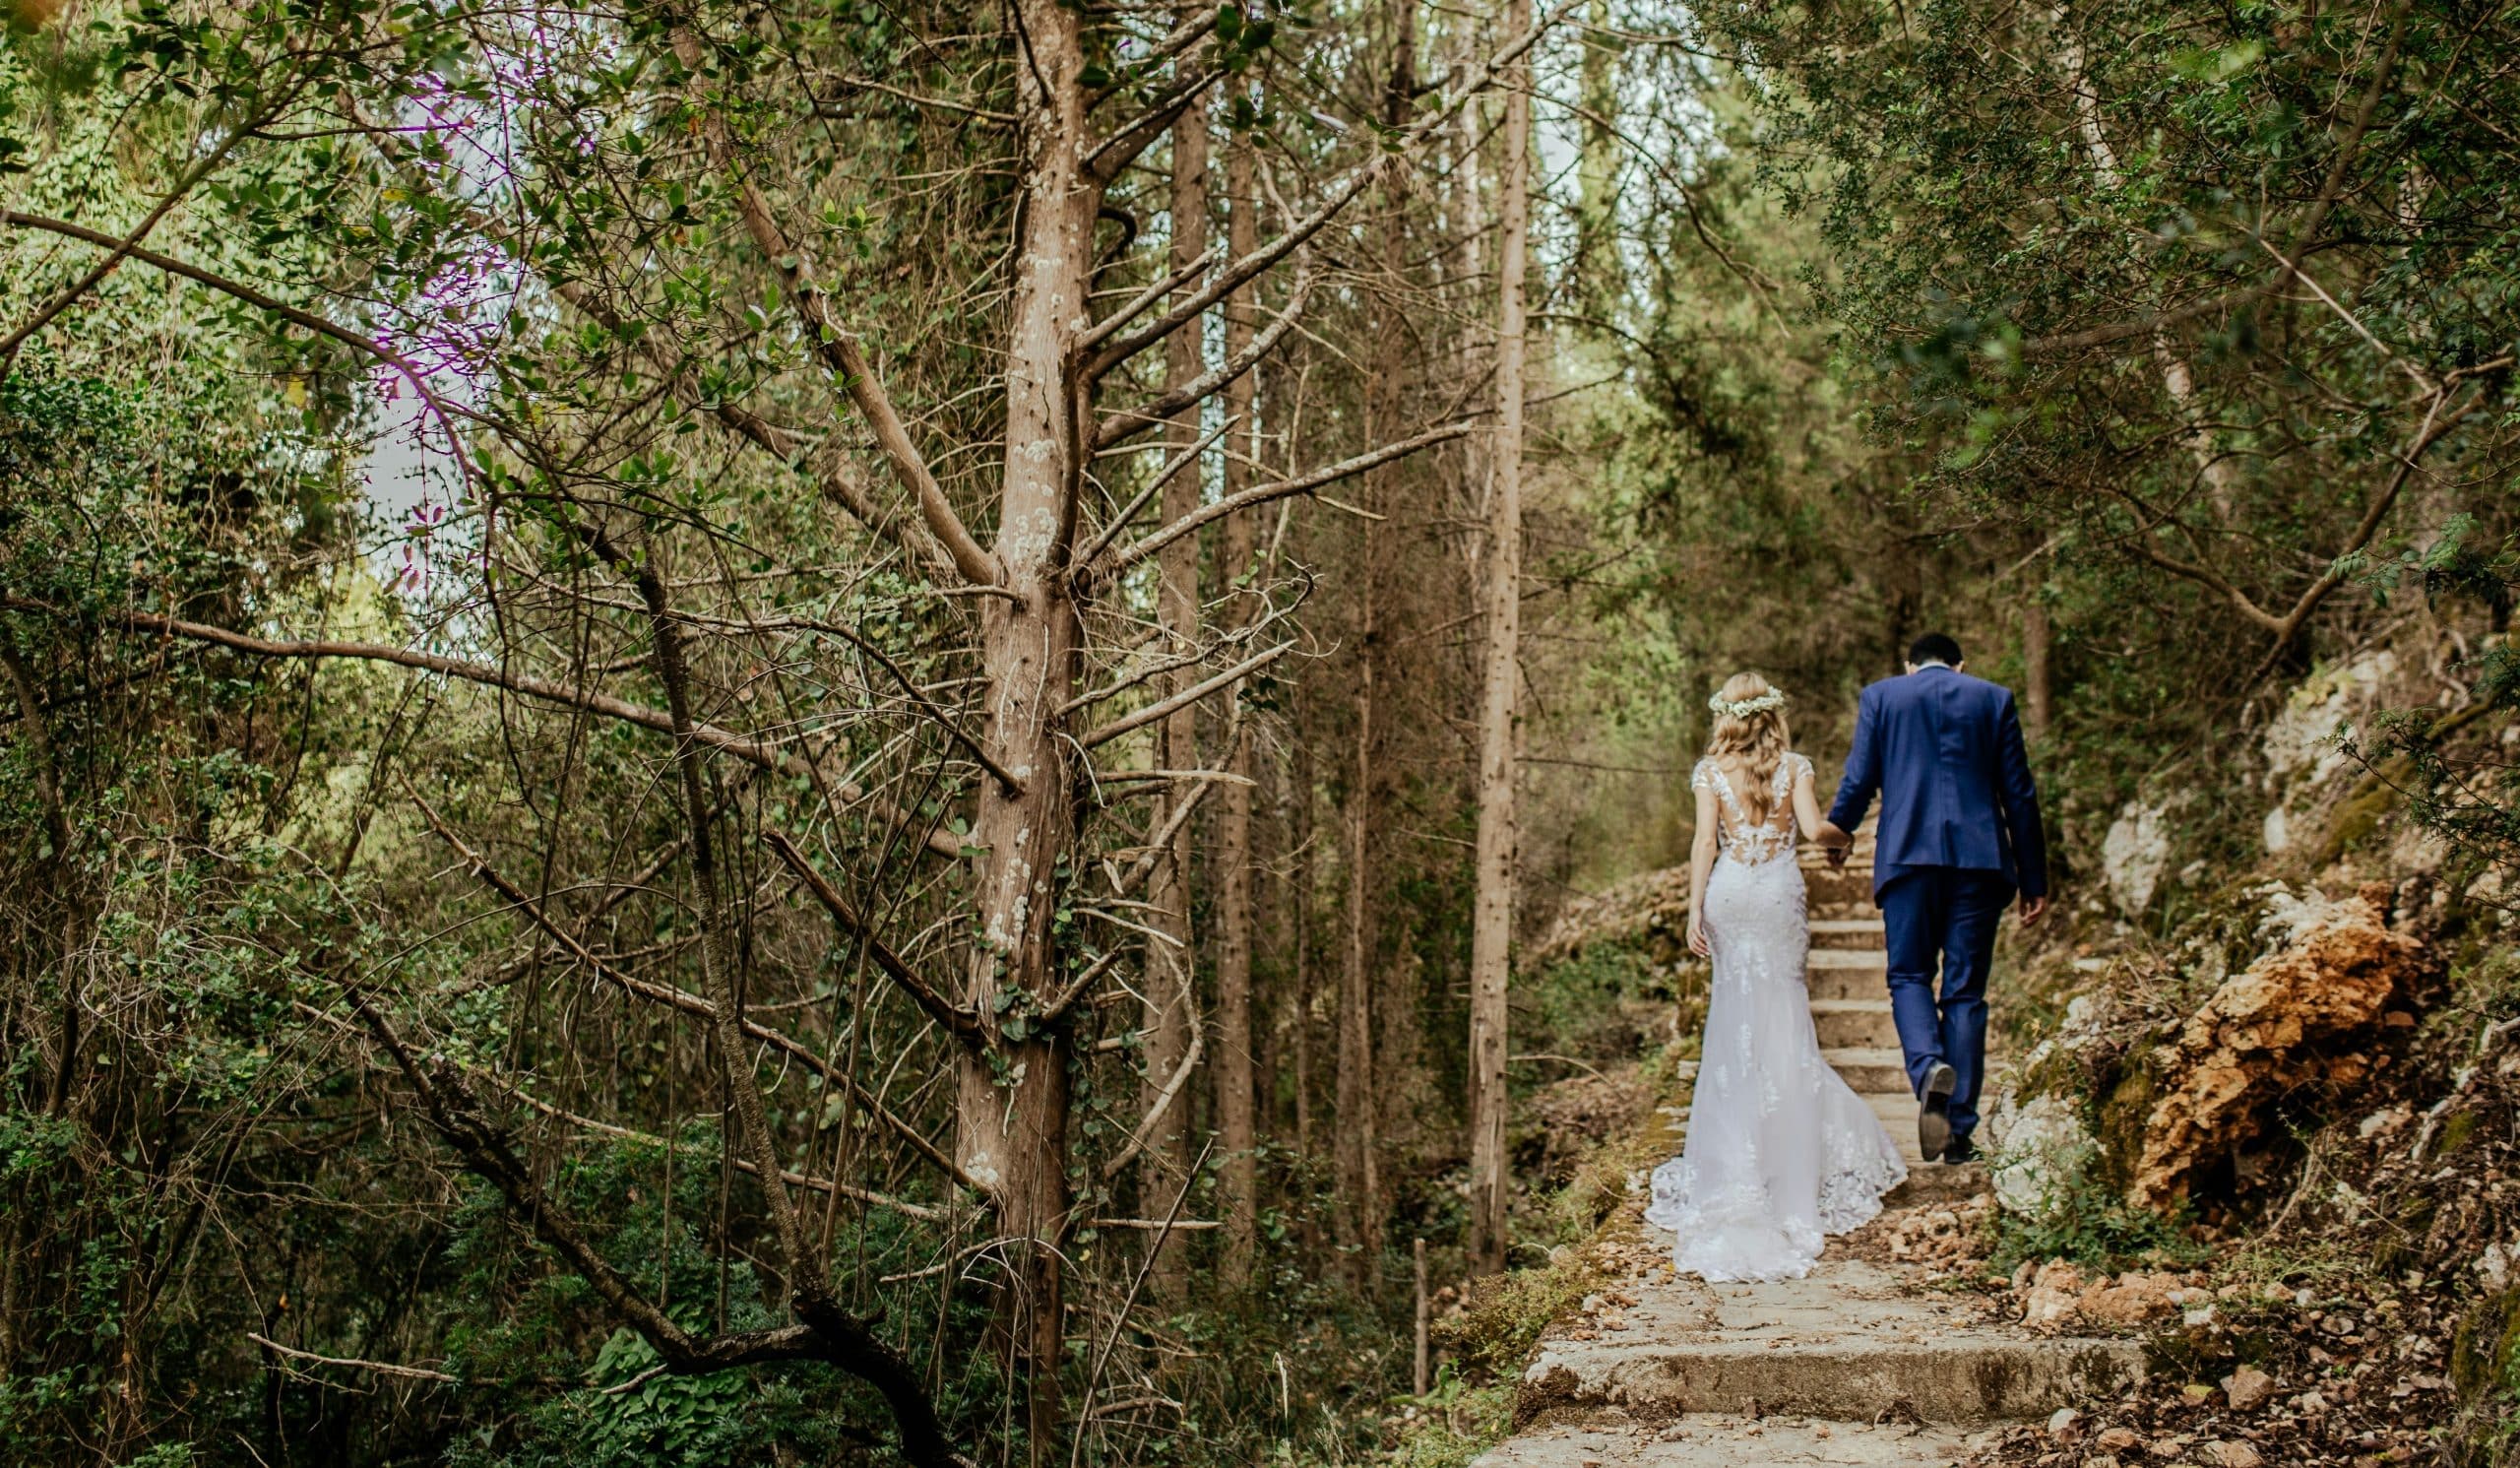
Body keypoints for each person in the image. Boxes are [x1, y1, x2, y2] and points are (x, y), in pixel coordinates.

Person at [1644, 673, 1907, 1282]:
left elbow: (1705, 841)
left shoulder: (1710, 773)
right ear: (1773, 715)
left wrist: (1693, 909)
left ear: (1727, 717)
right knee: (1785, 1015)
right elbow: (1817, 833)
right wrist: (1849, 837)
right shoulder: (1796, 767)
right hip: (1778, 895)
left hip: (1731, 896)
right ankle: (1789, 1160)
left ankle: (1738, 1158)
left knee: (1734, 1022)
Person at [1820, 633, 2048, 1166]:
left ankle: (1927, 1070)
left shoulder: (1883, 697)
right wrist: (2034, 880)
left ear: (1909, 665)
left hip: (1907, 859)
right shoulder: (1993, 699)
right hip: (1979, 861)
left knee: (1909, 976)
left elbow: (1861, 777)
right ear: (1960, 664)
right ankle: (1960, 1134)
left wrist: (1840, 834)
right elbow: (2020, 793)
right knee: (1965, 992)